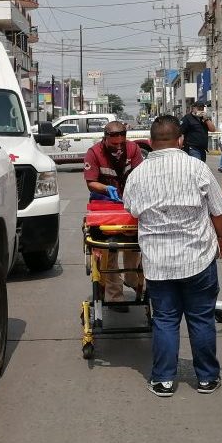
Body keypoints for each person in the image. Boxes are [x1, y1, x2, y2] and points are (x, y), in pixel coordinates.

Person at [123, 116, 222, 397]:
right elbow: (219, 210)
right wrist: (221, 238)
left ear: (150, 142)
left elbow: (132, 211)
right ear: (180, 139)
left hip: (158, 263)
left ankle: (163, 380)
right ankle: (207, 378)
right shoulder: (196, 167)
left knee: (165, 319)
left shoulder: (138, 174)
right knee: (201, 318)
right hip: (197, 258)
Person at [84, 121, 146, 311]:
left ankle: (131, 277)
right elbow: (91, 182)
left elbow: (142, 174)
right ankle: (114, 295)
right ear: (105, 139)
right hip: (104, 204)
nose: (118, 148)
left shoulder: (133, 149)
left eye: (121, 143)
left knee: (133, 246)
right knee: (108, 252)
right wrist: (105, 188)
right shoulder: (94, 153)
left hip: (128, 204)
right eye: (114, 144)